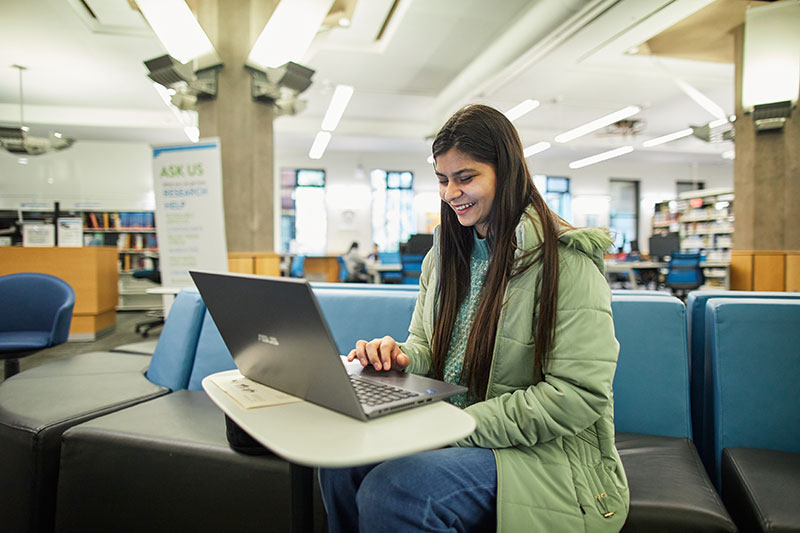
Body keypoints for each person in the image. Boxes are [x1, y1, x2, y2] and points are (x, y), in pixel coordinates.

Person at [319, 104, 629, 532]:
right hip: (454, 429)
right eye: (442, 179)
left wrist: (456, 426)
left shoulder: (566, 262)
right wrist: (400, 358)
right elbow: (426, 347)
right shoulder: (444, 256)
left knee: (393, 491)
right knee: (339, 461)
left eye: (465, 178)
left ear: (507, 172)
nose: (450, 193)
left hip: (542, 454)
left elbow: (576, 396)